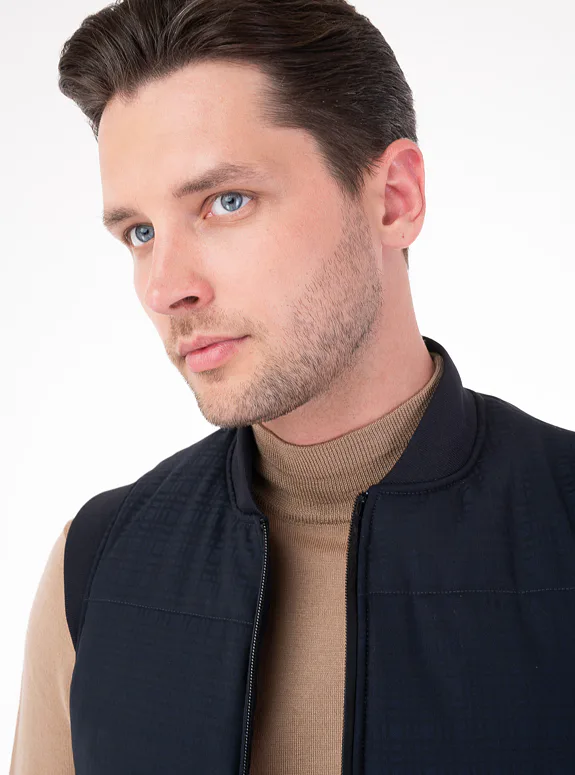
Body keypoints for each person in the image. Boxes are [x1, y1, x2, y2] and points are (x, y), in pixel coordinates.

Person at [9, 0, 575, 773]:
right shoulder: (97, 566)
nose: (165, 288)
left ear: (393, 198)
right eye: (140, 232)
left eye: (225, 202)